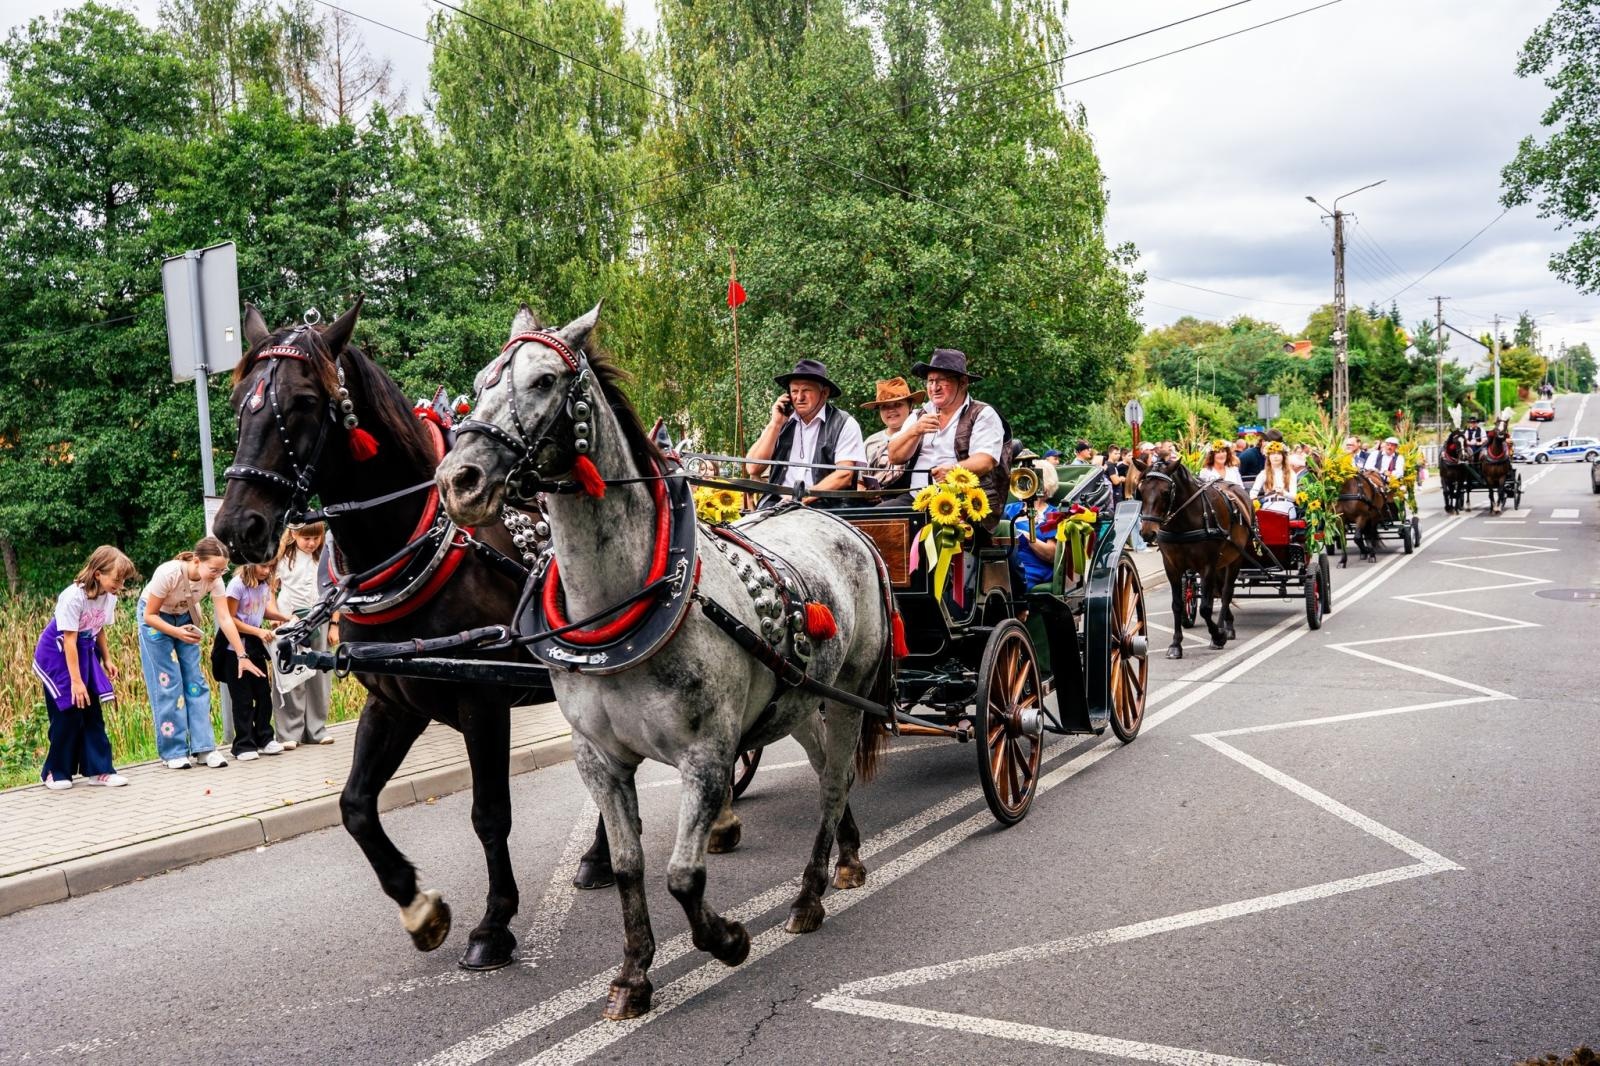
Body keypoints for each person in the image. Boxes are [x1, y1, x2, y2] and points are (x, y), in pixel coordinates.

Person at [138, 536, 263, 770]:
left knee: (196, 682)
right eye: (214, 569)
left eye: (222, 570)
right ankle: (174, 750)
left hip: (185, 618)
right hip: (156, 620)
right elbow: (149, 615)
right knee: (168, 683)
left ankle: (204, 747)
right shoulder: (168, 573)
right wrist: (175, 632)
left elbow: (225, 618)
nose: (218, 574)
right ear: (197, 561)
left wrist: (241, 655)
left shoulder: (215, 581)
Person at [33, 546, 140, 789]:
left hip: (84, 650)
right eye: (117, 579)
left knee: (92, 711)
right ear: (98, 573)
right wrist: (76, 681)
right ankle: (54, 772)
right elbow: (69, 639)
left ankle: (99, 770)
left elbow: (98, 628)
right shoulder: (73, 596)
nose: (120, 585)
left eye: (123, 580)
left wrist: (107, 659)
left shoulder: (109, 597)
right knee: (68, 712)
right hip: (57, 654)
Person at [886, 348, 1007, 522]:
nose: (934, 387)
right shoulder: (919, 415)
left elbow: (986, 460)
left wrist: (953, 471)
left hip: (963, 502)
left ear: (963, 382)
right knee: (869, 520)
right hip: (916, 501)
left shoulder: (982, 413)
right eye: (930, 381)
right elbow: (894, 456)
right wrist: (915, 431)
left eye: (941, 381)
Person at [744, 358, 866, 508]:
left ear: (825, 392)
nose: (799, 397)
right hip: (775, 504)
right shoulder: (782, 421)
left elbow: (844, 476)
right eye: (794, 391)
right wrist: (775, 424)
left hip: (826, 506)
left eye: (806, 390)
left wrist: (802, 497)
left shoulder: (844, 423)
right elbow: (753, 468)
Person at [214, 561, 290, 761]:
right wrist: (258, 631)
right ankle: (244, 743)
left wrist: (284, 617)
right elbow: (230, 619)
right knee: (242, 697)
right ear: (250, 564)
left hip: (255, 646)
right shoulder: (237, 585)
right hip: (233, 647)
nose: (266, 571)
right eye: (263, 567)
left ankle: (265, 737)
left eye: (270, 568)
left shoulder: (264, 585)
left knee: (263, 693)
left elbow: (259, 611)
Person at [272, 522, 335, 748]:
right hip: (290, 620)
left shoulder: (325, 557)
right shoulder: (282, 558)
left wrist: (335, 624)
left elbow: (335, 590)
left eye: (316, 538)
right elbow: (270, 588)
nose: (312, 543)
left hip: (320, 617)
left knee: (320, 673)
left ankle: (316, 729)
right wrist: (275, 615)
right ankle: (289, 732)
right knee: (292, 673)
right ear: (294, 535)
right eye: (306, 538)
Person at [859, 377, 926, 496]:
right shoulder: (871, 442)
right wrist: (866, 494)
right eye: (884, 406)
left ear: (910, 406)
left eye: (897, 404)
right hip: (873, 507)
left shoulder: (923, 436)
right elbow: (860, 481)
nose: (891, 410)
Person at [1251, 441, 1300, 517]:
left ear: (1283, 457)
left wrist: (1283, 493)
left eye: (1279, 454)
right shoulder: (1263, 473)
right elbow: (1253, 492)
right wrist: (1254, 500)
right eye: (1273, 454)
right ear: (1268, 457)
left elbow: (1294, 497)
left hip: (1287, 507)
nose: (1276, 456)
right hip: (1269, 507)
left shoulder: (1291, 473)